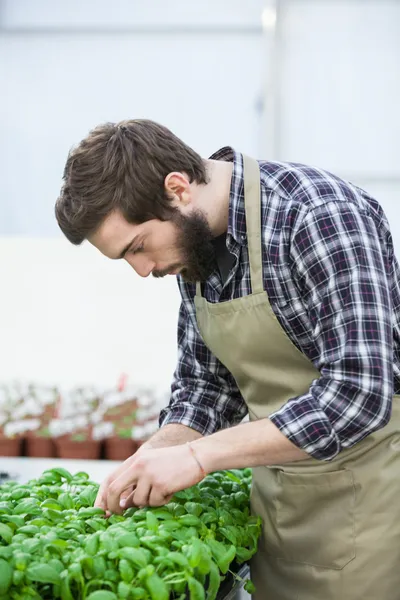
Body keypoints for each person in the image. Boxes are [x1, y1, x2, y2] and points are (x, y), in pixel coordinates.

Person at [55, 119, 400, 600]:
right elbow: (204, 388)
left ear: (176, 189)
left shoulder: (317, 217)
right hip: (277, 508)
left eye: (137, 247)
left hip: (367, 511)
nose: (142, 270)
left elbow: (358, 394)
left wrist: (197, 457)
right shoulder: (193, 244)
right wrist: (155, 454)